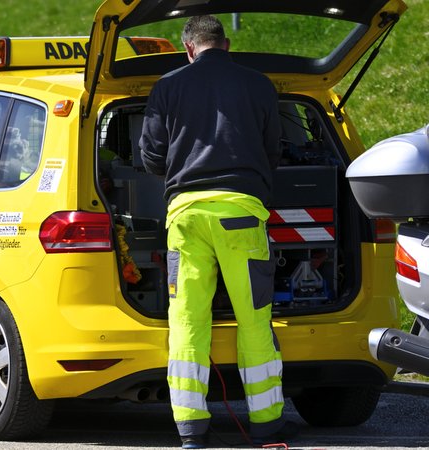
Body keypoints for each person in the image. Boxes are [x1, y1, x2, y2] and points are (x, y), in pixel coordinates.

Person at [139, 15, 296, 449]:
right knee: (253, 320)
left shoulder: (167, 85)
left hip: (185, 217)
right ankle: (266, 425)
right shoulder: (259, 84)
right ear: (225, 44)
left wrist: (178, 176)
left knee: (188, 320)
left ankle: (191, 430)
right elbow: (272, 150)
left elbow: (151, 154)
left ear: (187, 48)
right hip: (242, 215)